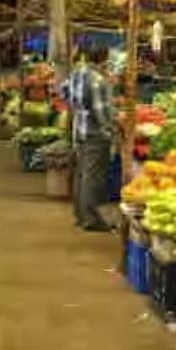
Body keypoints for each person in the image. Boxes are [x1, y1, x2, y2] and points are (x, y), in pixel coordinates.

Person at [61, 45, 116, 232]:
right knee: (92, 177)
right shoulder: (98, 80)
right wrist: (112, 128)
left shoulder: (77, 73)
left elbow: (63, 90)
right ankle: (91, 219)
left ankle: (80, 214)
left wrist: (78, 109)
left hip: (80, 130)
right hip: (95, 133)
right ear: (104, 59)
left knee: (82, 173)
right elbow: (101, 112)